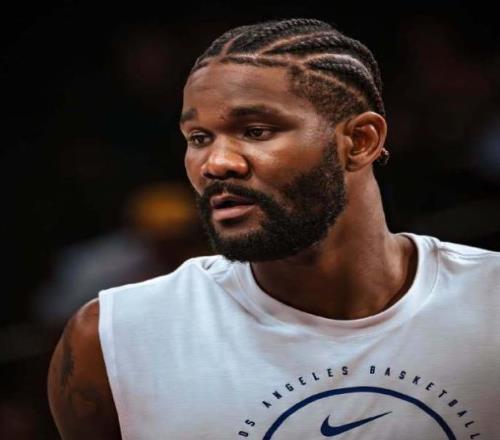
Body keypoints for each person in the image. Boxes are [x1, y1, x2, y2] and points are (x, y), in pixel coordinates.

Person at [47, 18, 500, 439]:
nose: (216, 163)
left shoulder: (490, 300)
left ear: (360, 141)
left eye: (256, 131)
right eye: (199, 138)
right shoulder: (111, 341)